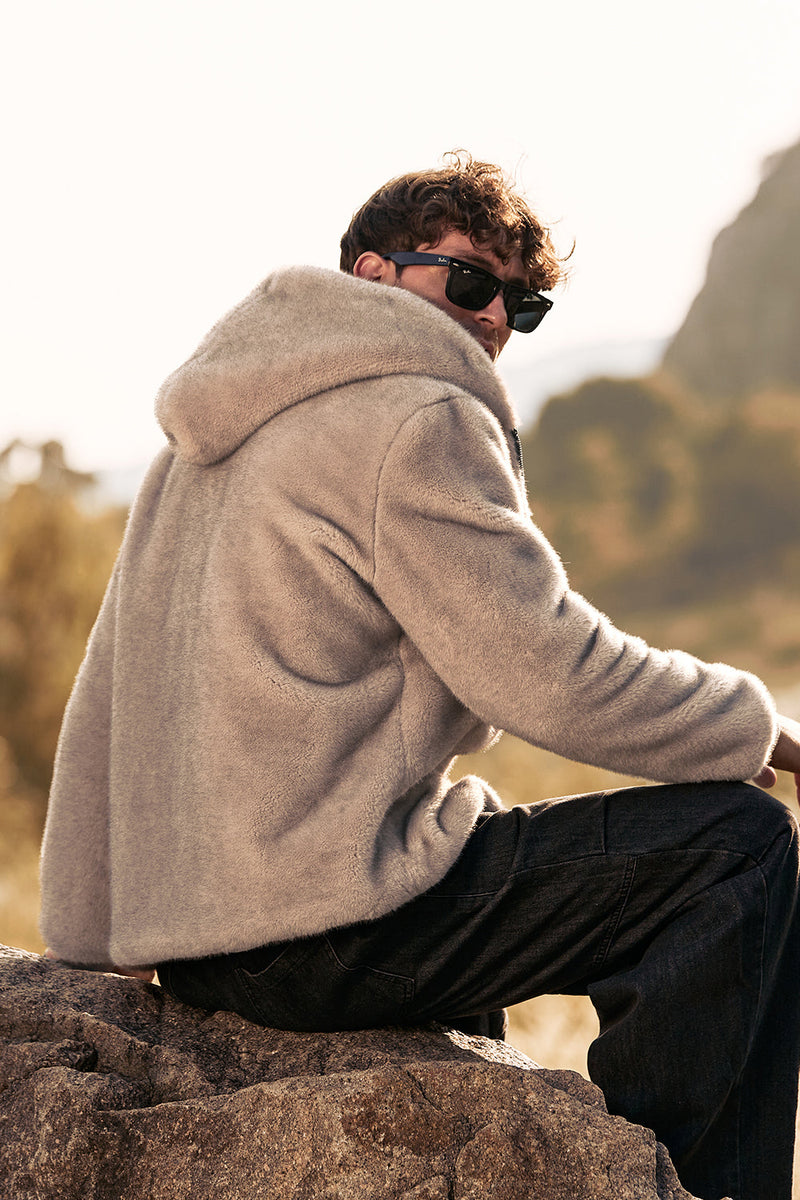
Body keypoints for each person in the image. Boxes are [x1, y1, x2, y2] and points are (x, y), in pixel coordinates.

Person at [40, 153, 800, 1200]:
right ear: (373, 273)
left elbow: (110, 691)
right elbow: (541, 668)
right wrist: (750, 725)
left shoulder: (205, 435)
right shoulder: (414, 414)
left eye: (519, 305)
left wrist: (92, 935)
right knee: (734, 847)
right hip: (318, 927)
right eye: (469, 280)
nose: (490, 319)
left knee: (459, 865)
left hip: (202, 942)